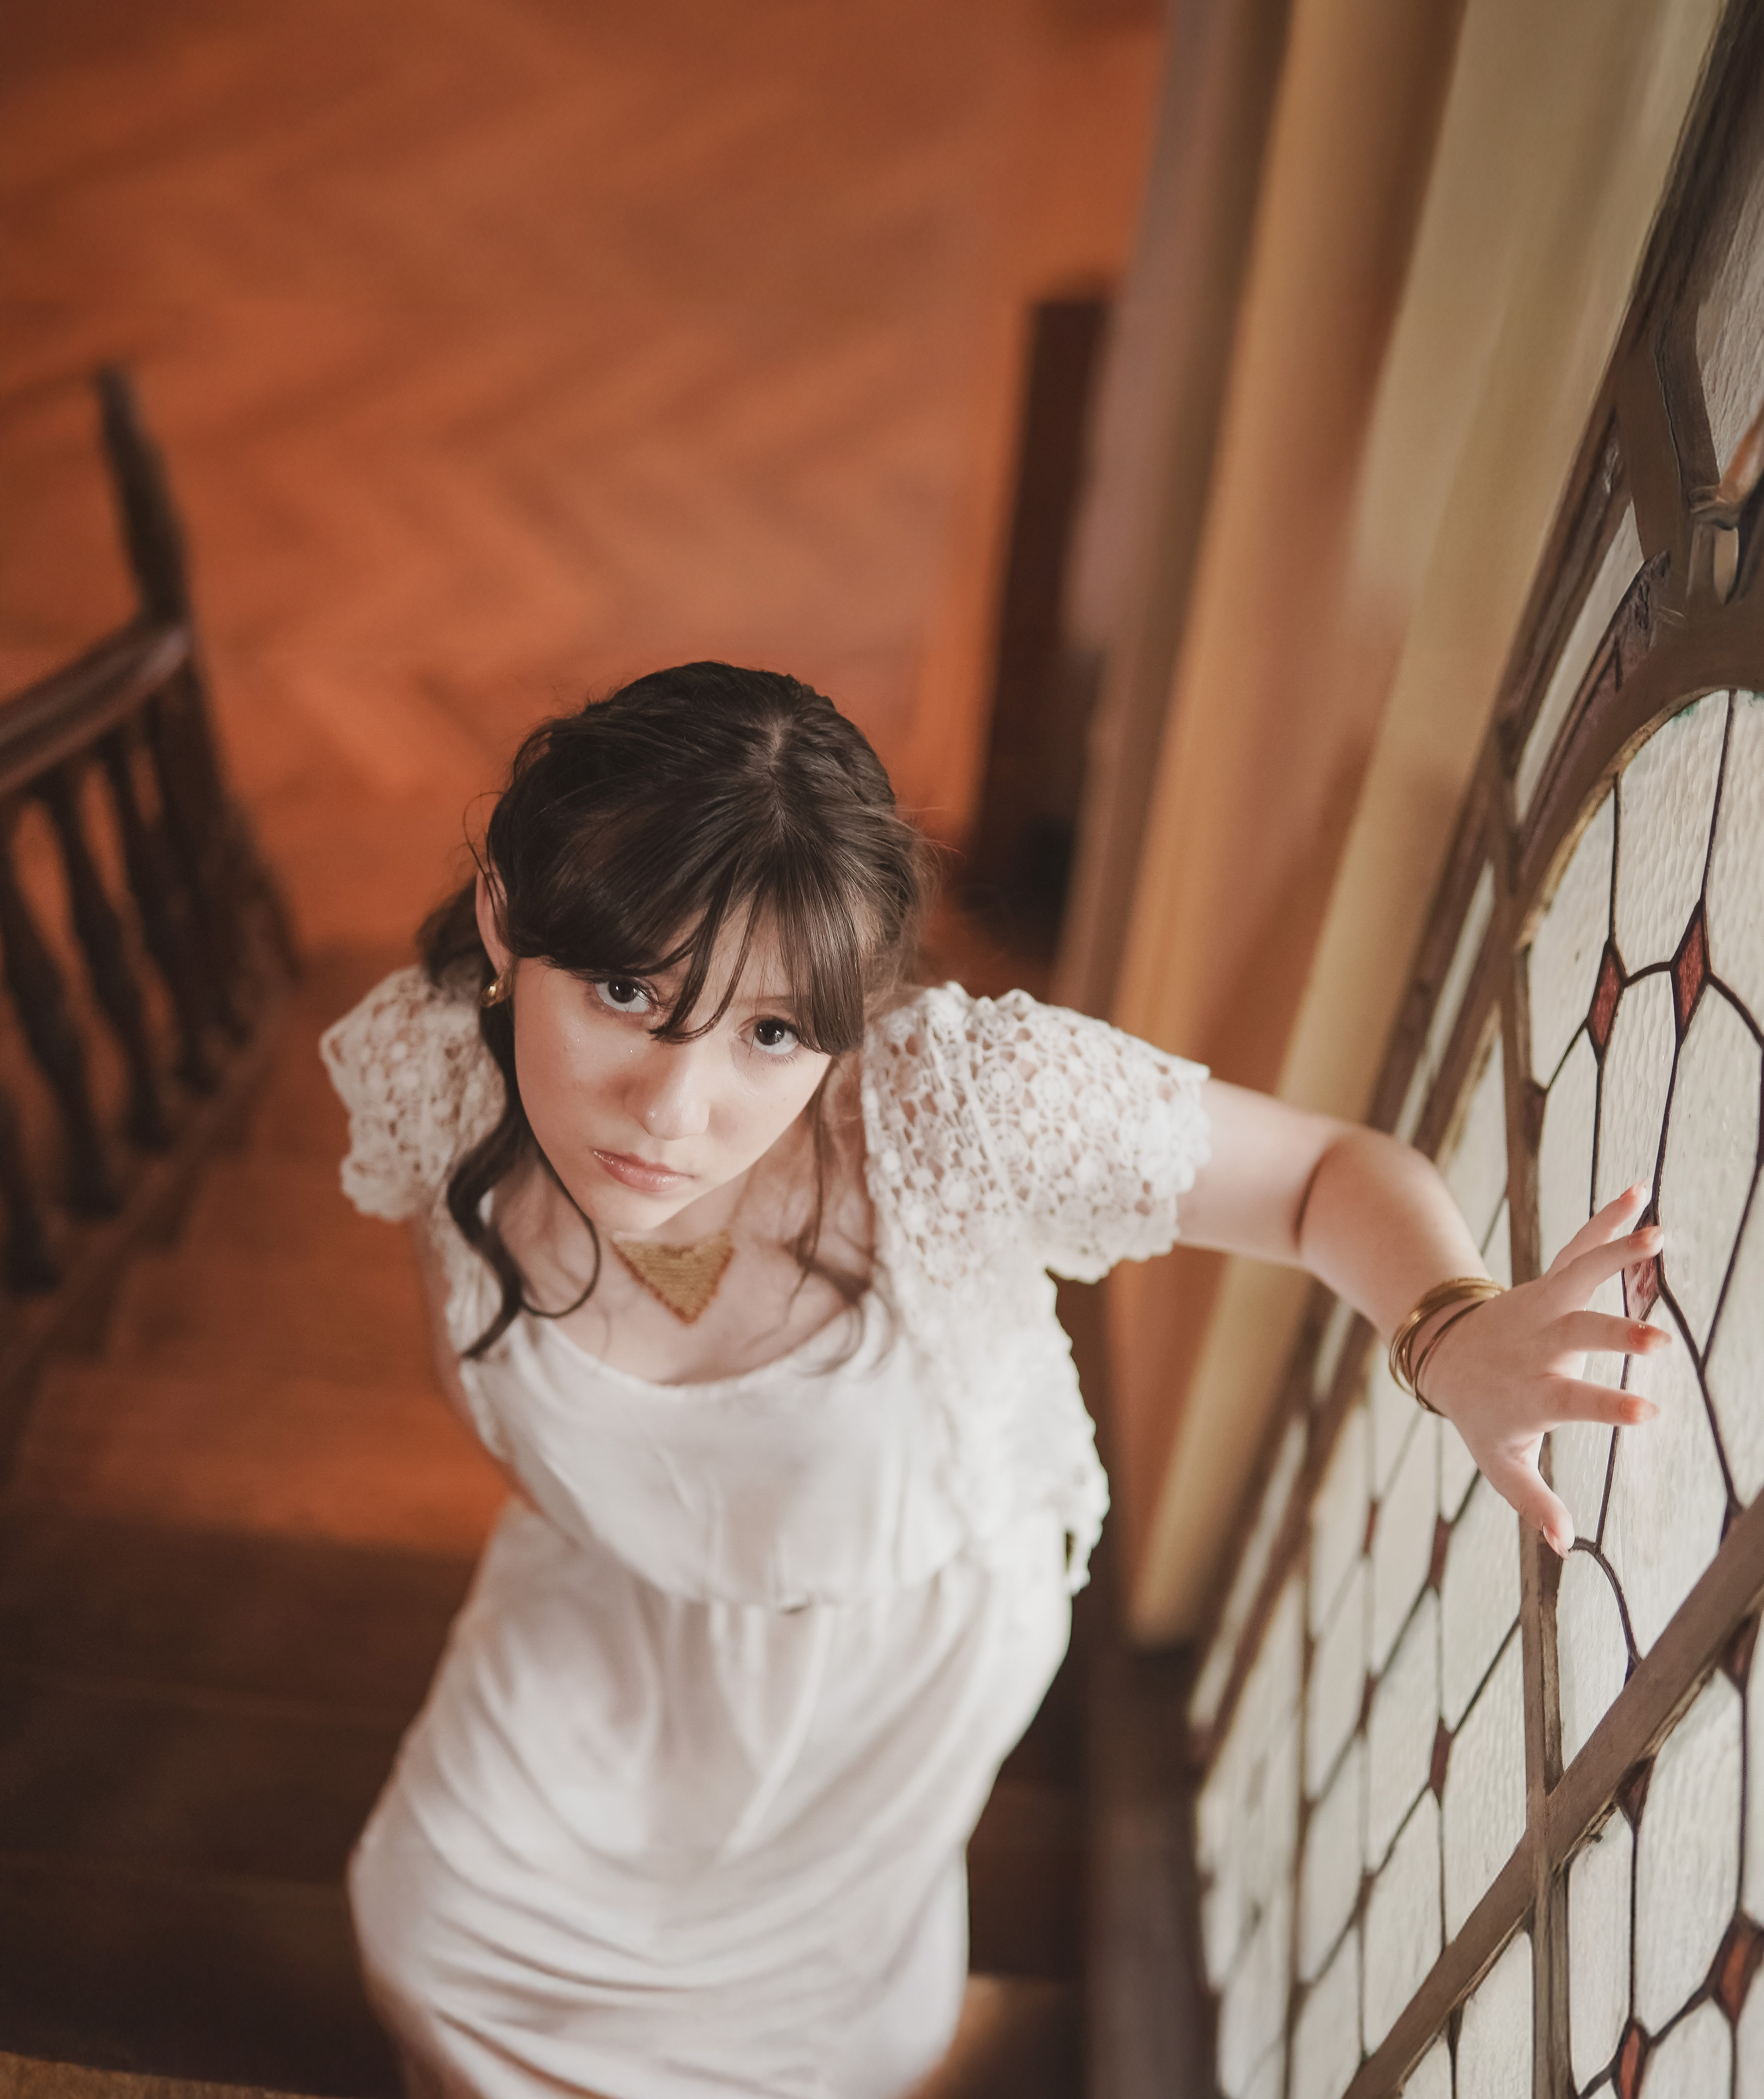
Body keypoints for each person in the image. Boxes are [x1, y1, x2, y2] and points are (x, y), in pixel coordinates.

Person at [321, 663, 1664, 2099]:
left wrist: (1450, 1329)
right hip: (615, 1586)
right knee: (428, 1928)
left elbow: (1321, 1174)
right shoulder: (435, 1070)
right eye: (625, 990)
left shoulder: (960, 1108)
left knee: (806, 2047)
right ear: (504, 920)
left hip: (879, 1664)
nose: (672, 1111)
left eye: (771, 1033)